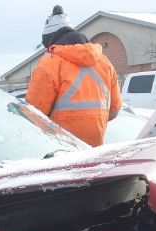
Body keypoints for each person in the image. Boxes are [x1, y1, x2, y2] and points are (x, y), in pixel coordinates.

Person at [26, 5, 122, 147]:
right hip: (95, 149)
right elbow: (115, 109)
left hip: (59, 149)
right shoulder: (105, 63)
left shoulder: (49, 63)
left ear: (50, 40)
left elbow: (34, 114)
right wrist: (93, 120)